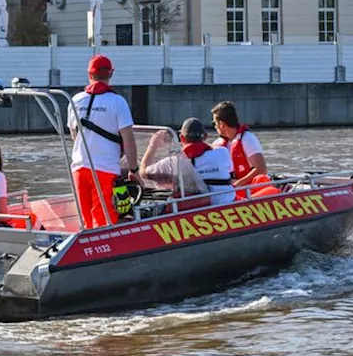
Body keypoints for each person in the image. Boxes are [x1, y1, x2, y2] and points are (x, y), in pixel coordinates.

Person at [67, 54, 139, 228]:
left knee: (85, 219)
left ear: (89, 75)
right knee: (104, 219)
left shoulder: (75, 100)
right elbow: (128, 140)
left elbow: (74, 136)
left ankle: (86, 249)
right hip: (105, 169)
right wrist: (133, 169)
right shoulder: (117, 102)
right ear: (111, 74)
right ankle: (105, 250)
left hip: (79, 167)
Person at [142, 118, 235, 206]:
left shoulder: (173, 162)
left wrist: (153, 145)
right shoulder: (222, 153)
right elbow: (229, 168)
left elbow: (143, 174)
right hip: (228, 205)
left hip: (197, 209)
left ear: (181, 138)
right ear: (205, 137)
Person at [211, 101, 269, 189]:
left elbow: (261, 169)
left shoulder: (247, 139)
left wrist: (237, 185)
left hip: (249, 189)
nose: (215, 127)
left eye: (214, 123)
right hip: (231, 189)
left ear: (222, 125)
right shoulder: (217, 144)